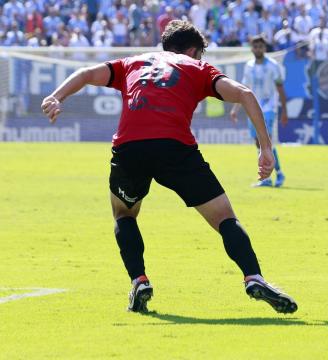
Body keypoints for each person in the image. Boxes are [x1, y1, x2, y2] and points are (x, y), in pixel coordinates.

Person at [40, 20, 297, 314]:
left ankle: (139, 280)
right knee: (224, 217)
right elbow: (245, 94)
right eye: (200, 53)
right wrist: (265, 148)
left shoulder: (131, 62)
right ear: (192, 50)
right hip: (176, 148)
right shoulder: (197, 67)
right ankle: (253, 276)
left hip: (130, 147)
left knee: (124, 213)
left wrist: (55, 96)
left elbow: (86, 73)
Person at [231, 35, 288, 187]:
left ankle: (279, 174)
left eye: (261, 46)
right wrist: (235, 108)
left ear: (265, 48)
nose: (258, 49)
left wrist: (284, 111)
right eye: (255, 46)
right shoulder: (249, 66)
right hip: (253, 108)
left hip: (269, 107)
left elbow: (280, 88)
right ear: (252, 48)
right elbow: (244, 89)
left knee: (266, 141)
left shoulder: (273, 65)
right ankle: (268, 178)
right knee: (258, 142)